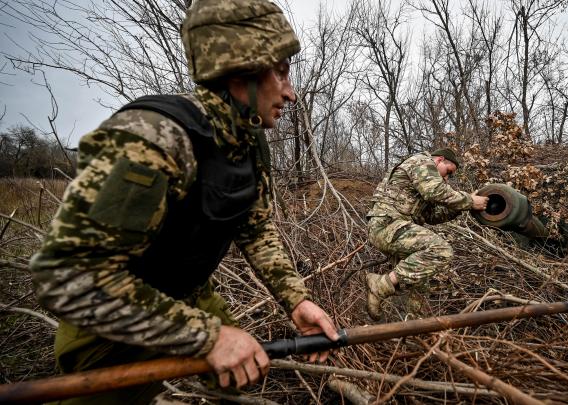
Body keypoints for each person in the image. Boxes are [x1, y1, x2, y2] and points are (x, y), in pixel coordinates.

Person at [29, 0, 339, 403]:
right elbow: (68, 277)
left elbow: (256, 227)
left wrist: (296, 300)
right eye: (279, 72)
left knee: (242, 375)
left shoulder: (245, 139)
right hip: (111, 325)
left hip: (188, 297)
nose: (290, 93)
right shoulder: (151, 138)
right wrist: (208, 337)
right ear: (241, 69)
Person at [365, 148, 488, 320]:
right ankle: (381, 285)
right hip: (387, 225)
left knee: (416, 288)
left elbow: (432, 216)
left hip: (394, 228)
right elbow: (435, 191)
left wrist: (464, 207)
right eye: (448, 172)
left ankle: (414, 333)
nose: (446, 178)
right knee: (440, 250)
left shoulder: (422, 183)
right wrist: (469, 200)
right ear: (439, 160)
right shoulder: (422, 161)